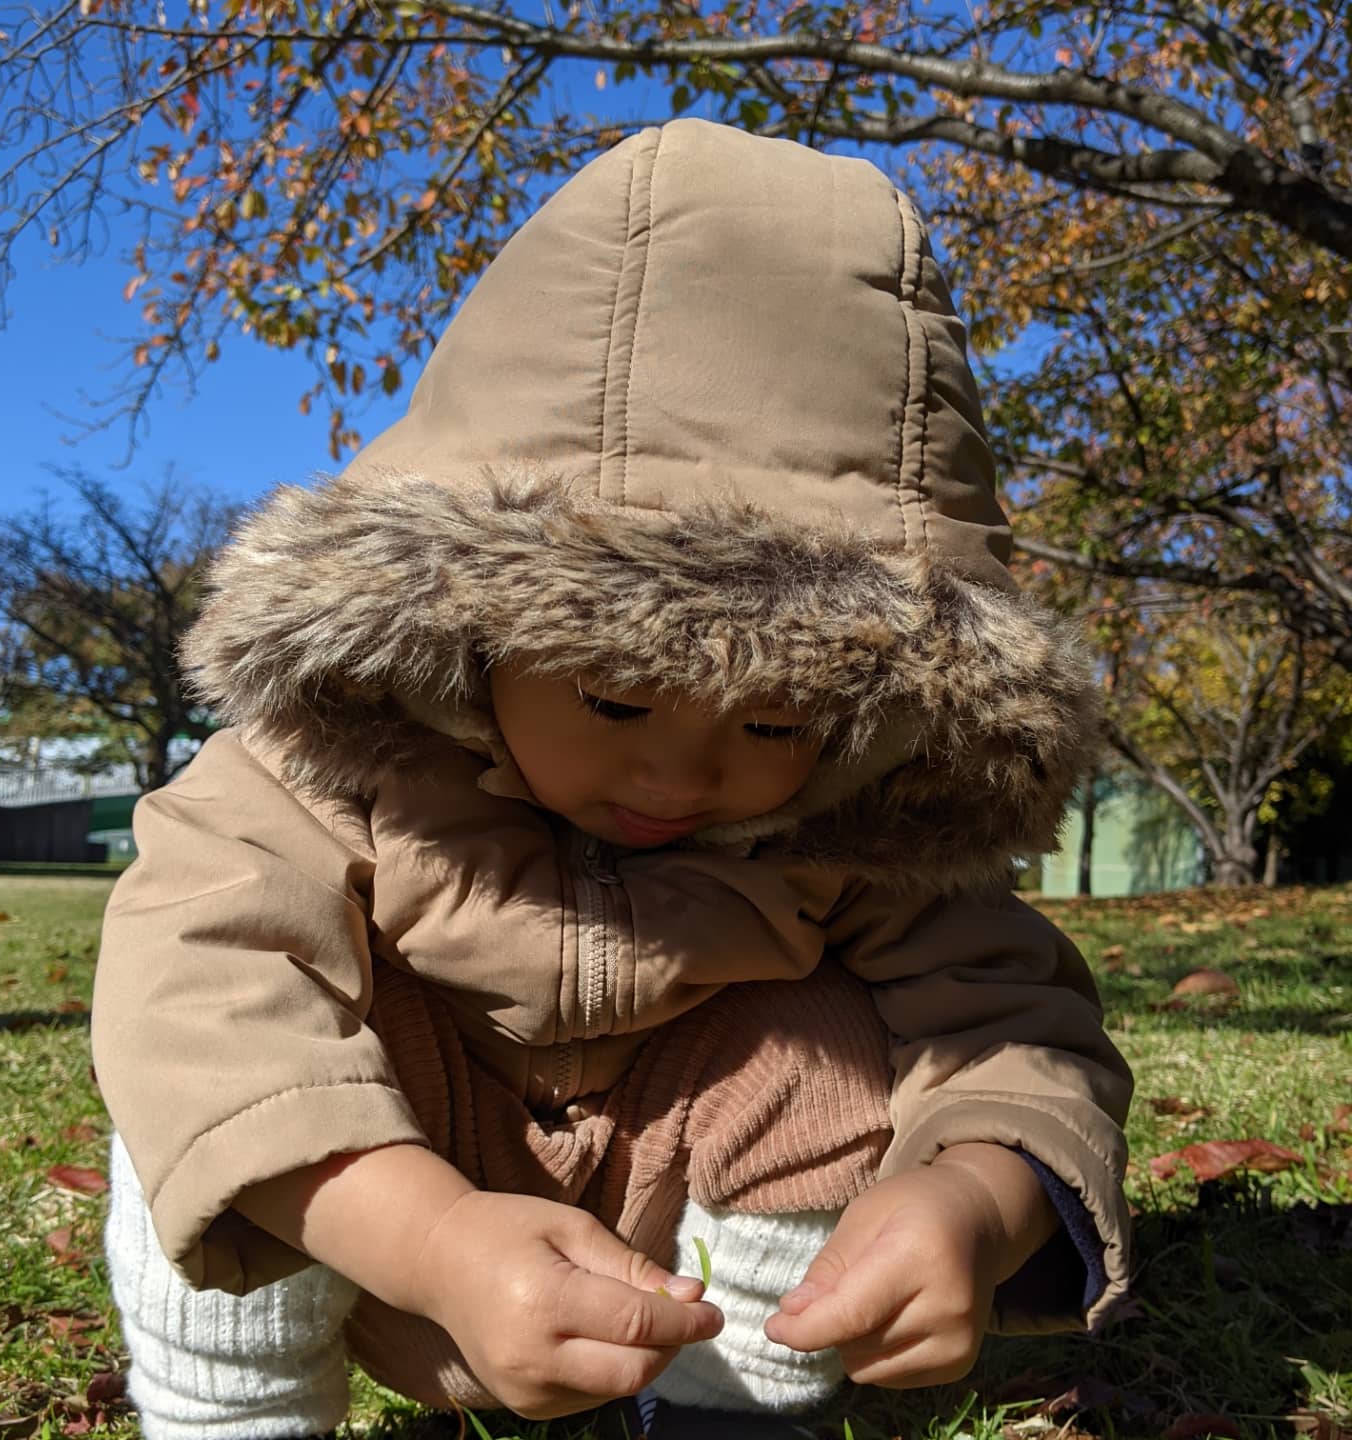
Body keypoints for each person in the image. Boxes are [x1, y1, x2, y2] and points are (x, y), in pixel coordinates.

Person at [92, 119, 1134, 1440]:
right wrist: (427, 1236)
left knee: (818, 1045)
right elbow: (198, 972)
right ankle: (235, 1421)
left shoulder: (848, 824)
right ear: (473, 628)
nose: (684, 768)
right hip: (380, 1208)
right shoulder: (332, 765)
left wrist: (972, 1196)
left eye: (778, 720)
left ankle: (736, 1407)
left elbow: (1008, 1025)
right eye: (615, 695)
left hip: (680, 1237)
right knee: (207, 1081)